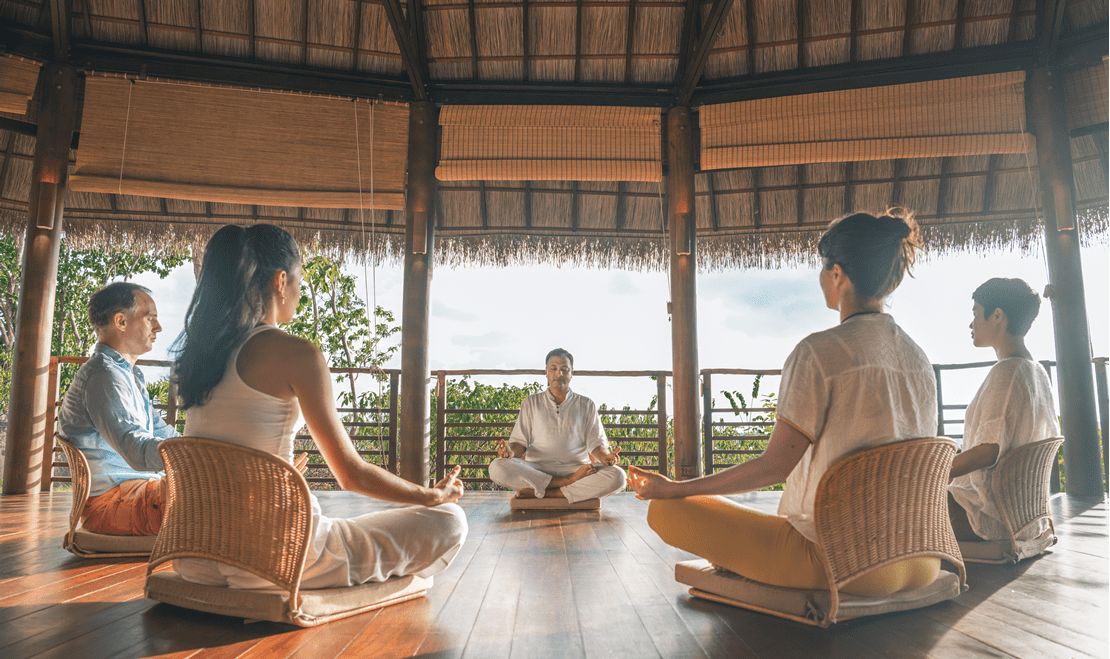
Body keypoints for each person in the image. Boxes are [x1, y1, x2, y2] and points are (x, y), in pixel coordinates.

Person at [627, 209, 941, 597]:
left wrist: (674, 488)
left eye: (823, 268)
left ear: (837, 274)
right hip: (919, 558)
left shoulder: (818, 353)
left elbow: (773, 467)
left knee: (667, 509)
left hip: (844, 563)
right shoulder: (918, 358)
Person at [170, 224, 467, 590]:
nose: (299, 291)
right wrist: (432, 495)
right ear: (281, 281)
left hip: (196, 557)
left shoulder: (200, 357)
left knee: (358, 527)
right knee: (450, 521)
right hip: (275, 558)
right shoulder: (297, 354)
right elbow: (351, 475)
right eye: (298, 279)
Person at [57, 282, 179, 536]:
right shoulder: (104, 375)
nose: (158, 327)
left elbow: (161, 432)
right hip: (113, 504)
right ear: (121, 321)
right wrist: (195, 456)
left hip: (137, 493)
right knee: (223, 493)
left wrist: (206, 448)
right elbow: (135, 450)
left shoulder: (129, 375)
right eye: (150, 319)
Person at [948, 278, 1059, 542]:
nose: (971, 323)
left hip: (987, 517)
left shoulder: (1007, 372)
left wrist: (935, 468)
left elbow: (989, 450)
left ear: (997, 315)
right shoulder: (1037, 373)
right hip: (1023, 517)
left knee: (893, 502)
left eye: (975, 313)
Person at [488, 348, 625, 503]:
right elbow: (519, 444)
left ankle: (547, 492)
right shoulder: (531, 402)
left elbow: (596, 444)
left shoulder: (586, 404)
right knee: (496, 467)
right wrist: (510, 452)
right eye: (553, 368)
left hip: (578, 470)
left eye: (564, 369)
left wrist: (606, 457)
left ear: (572, 372)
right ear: (546, 372)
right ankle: (564, 483)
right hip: (537, 470)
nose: (558, 374)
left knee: (618, 477)